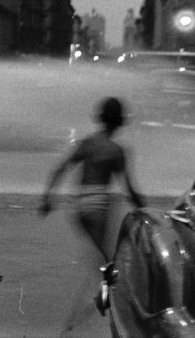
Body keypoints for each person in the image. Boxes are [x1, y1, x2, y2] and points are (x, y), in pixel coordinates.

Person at [39, 96, 145, 333]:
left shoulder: (87, 143)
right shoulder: (117, 150)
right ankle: (104, 299)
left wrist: (47, 197)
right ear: (118, 123)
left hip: (79, 205)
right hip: (99, 205)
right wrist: (143, 208)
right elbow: (128, 187)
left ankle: (103, 296)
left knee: (100, 258)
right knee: (109, 260)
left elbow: (61, 167)